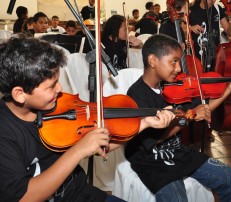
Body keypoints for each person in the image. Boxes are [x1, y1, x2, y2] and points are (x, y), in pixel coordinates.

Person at [0, 34, 175, 201]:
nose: (60, 88)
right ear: (19, 94)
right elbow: (24, 197)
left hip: (80, 193)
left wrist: (143, 124)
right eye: (51, 86)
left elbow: (99, 143)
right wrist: (79, 151)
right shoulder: (5, 133)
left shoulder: (53, 105)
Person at [125, 34, 231, 202]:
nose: (178, 69)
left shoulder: (174, 87)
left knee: (229, 178)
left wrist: (228, 89)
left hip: (179, 152)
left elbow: (202, 109)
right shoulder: (136, 95)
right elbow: (155, 140)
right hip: (151, 161)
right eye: (173, 61)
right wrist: (189, 117)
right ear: (153, 61)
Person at [189, 0, 231, 67]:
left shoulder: (217, 9)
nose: (212, 1)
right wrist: (190, 28)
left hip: (215, 54)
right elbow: (182, 28)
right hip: (197, 54)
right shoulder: (191, 10)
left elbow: (228, 31)